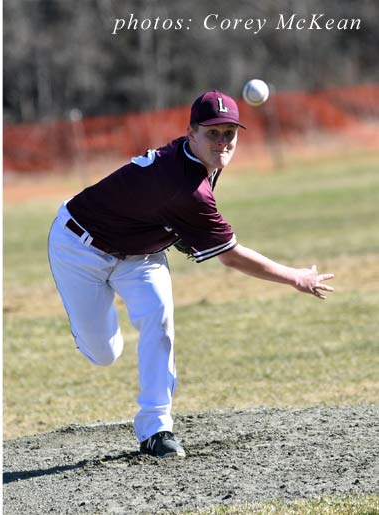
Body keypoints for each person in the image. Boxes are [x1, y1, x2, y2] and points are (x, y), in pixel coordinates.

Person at [48, 90, 335, 459]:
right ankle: (89, 328)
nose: (222, 142)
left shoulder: (194, 164)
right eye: (212, 133)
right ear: (191, 134)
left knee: (159, 319)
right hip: (79, 248)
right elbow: (231, 258)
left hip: (141, 256)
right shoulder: (186, 188)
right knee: (104, 354)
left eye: (229, 132)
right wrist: (296, 277)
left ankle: (156, 429)